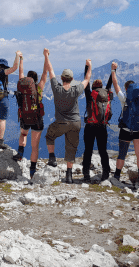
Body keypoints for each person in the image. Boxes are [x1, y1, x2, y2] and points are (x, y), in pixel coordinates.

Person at [43, 49, 91, 184]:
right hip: (76, 122)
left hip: (61, 122)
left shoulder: (56, 89)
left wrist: (46, 56)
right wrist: (89, 65)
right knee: (71, 148)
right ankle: (69, 176)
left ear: (62, 78)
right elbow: (87, 79)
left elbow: (51, 71)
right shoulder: (76, 90)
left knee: (49, 136)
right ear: (72, 79)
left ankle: (52, 158)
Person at [110, 61, 139, 185]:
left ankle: (116, 176)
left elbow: (115, 84)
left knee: (122, 154)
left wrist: (113, 70)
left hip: (126, 129)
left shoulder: (124, 98)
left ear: (127, 89)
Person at [12, 51, 49, 179]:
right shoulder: (39, 87)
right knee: (35, 146)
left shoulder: (22, 85)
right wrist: (46, 56)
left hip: (24, 116)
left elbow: (20, 72)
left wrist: (21, 58)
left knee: (23, 133)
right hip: (37, 118)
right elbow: (45, 73)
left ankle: (20, 153)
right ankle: (32, 171)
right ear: (36, 80)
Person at [81, 71, 114, 182]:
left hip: (90, 126)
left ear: (93, 87)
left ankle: (86, 174)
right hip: (102, 126)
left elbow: (86, 82)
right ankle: (106, 172)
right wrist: (113, 70)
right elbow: (110, 84)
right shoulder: (107, 94)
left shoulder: (90, 95)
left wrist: (87, 67)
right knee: (102, 150)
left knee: (88, 150)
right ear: (101, 87)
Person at [0, 51, 22, 149]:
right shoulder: (2, 72)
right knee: (2, 120)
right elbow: (14, 68)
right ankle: (0, 142)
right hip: (2, 99)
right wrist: (17, 55)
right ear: (4, 66)